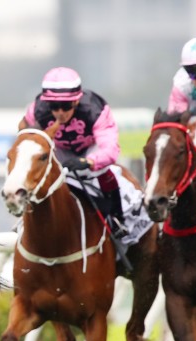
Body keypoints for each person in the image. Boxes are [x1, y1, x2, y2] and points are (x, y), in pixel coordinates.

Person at [19, 66, 127, 238]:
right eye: (54, 106)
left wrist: (88, 161)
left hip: (91, 146)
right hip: (60, 148)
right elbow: (29, 142)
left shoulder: (95, 110)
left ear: (76, 101)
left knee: (102, 169)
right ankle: (25, 217)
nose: (60, 112)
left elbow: (111, 149)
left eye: (66, 106)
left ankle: (117, 217)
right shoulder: (36, 111)